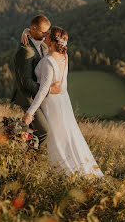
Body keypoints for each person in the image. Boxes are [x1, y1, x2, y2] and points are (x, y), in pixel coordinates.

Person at [22, 26, 104, 178]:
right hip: (63, 102)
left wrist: (30, 112)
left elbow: (43, 91)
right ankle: (73, 172)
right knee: (67, 136)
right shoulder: (63, 56)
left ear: (53, 42)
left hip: (50, 104)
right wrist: (27, 31)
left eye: (48, 36)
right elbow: (61, 85)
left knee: (56, 139)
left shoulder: (48, 62)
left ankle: (62, 173)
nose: (45, 36)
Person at [12, 15, 61, 150]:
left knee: (33, 132)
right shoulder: (27, 51)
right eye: (43, 32)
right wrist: (48, 91)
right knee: (44, 131)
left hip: (37, 96)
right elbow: (26, 82)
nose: (46, 35)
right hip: (28, 97)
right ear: (34, 29)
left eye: (47, 32)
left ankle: (23, 153)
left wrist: (26, 30)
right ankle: (32, 162)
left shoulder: (37, 43)